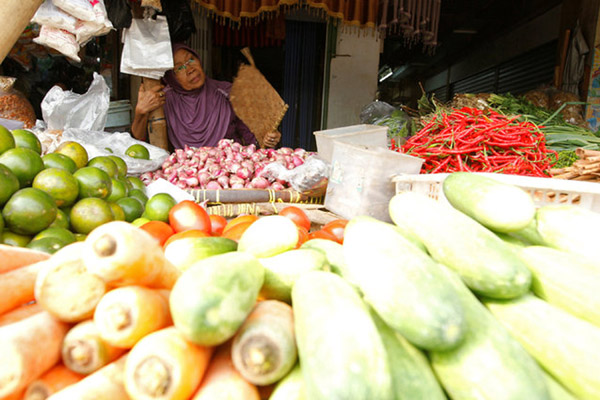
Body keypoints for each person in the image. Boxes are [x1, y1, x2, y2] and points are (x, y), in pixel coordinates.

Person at [132, 43, 281, 149]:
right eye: (179, 68)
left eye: (190, 59)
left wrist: (267, 139)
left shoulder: (227, 92)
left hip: (230, 172)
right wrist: (140, 113)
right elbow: (138, 142)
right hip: (187, 174)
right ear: (170, 77)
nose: (190, 69)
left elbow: (253, 139)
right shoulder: (165, 100)